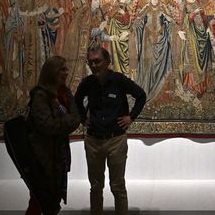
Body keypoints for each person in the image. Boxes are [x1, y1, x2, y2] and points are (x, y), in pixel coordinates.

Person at [74, 46, 147, 215]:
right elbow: (76, 100)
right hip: (93, 141)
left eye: (97, 61)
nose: (94, 65)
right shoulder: (88, 83)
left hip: (116, 140)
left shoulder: (118, 80)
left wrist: (131, 117)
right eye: (91, 62)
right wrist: (81, 118)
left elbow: (141, 95)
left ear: (107, 62)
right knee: (96, 186)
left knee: (118, 186)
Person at [25, 55, 81, 215]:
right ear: (52, 71)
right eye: (62, 69)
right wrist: (66, 121)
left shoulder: (64, 92)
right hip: (43, 156)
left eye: (66, 69)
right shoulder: (41, 96)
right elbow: (47, 125)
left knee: (54, 199)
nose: (67, 72)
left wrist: (64, 122)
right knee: (38, 198)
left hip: (59, 155)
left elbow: (76, 119)